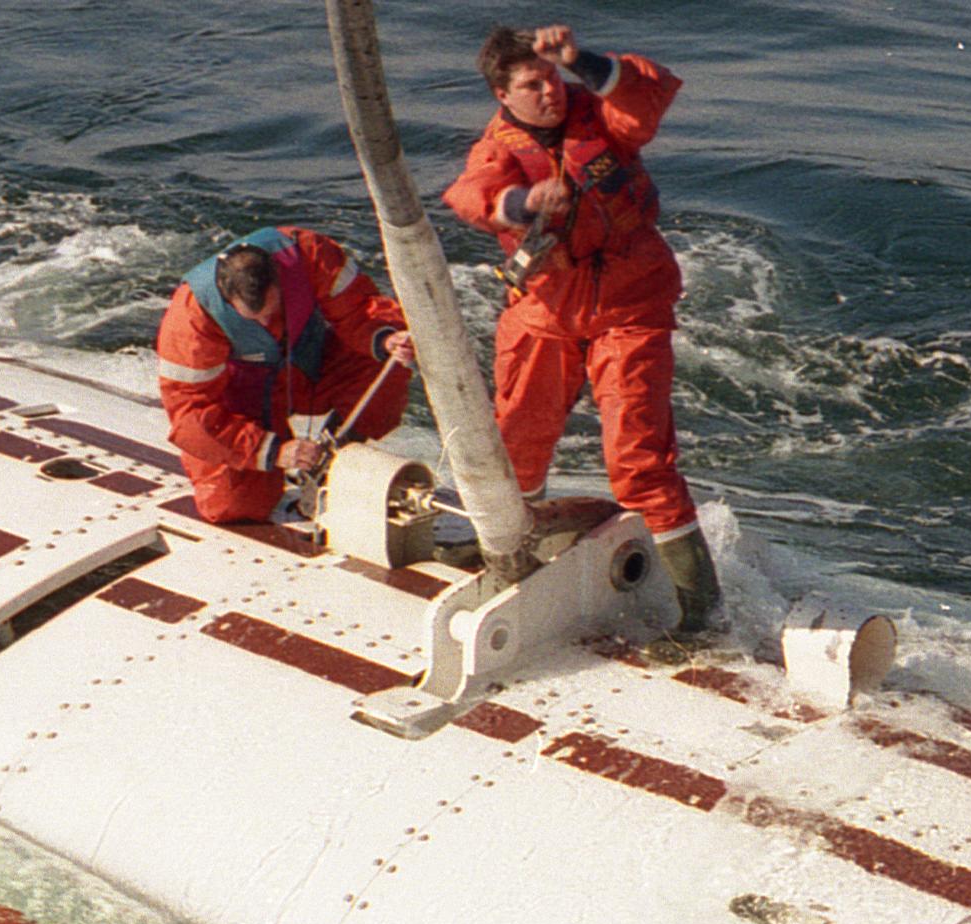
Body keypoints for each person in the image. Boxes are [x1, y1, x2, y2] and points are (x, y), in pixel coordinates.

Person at [443, 23, 718, 635]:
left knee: (639, 463)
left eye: (551, 78)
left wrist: (582, 60)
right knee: (515, 445)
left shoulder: (600, 113)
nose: (549, 92)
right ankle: (512, 555)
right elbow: (471, 196)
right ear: (502, 95)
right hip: (546, 305)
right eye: (531, 84)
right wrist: (523, 205)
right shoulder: (497, 148)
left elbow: (647, 97)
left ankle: (702, 612)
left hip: (630, 302)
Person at [155, 225, 415, 526]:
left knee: (388, 360)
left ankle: (340, 450)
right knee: (232, 507)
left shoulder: (312, 254)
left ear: (278, 277)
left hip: (304, 367)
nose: (266, 321)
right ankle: (279, 458)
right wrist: (272, 451)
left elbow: (360, 308)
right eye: (254, 318)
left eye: (271, 310)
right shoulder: (189, 317)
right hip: (243, 398)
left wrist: (384, 339)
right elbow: (190, 415)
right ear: (227, 299)